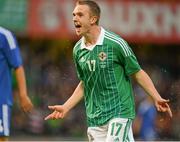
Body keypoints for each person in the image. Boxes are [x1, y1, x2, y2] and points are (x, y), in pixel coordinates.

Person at [45, 0, 172, 141]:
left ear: (93, 19)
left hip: (119, 112)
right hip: (95, 118)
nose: (75, 18)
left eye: (80, 15)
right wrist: (66, 107)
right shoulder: (78, 50)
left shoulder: (115, 43)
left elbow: (138, 72)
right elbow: (85, 83)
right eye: (74, 15)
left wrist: (156, 97)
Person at [0, 26, 33, 141]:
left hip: (1, 101)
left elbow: (18, 66)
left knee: (2, 138)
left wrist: (23, 95)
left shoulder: (5, 36)